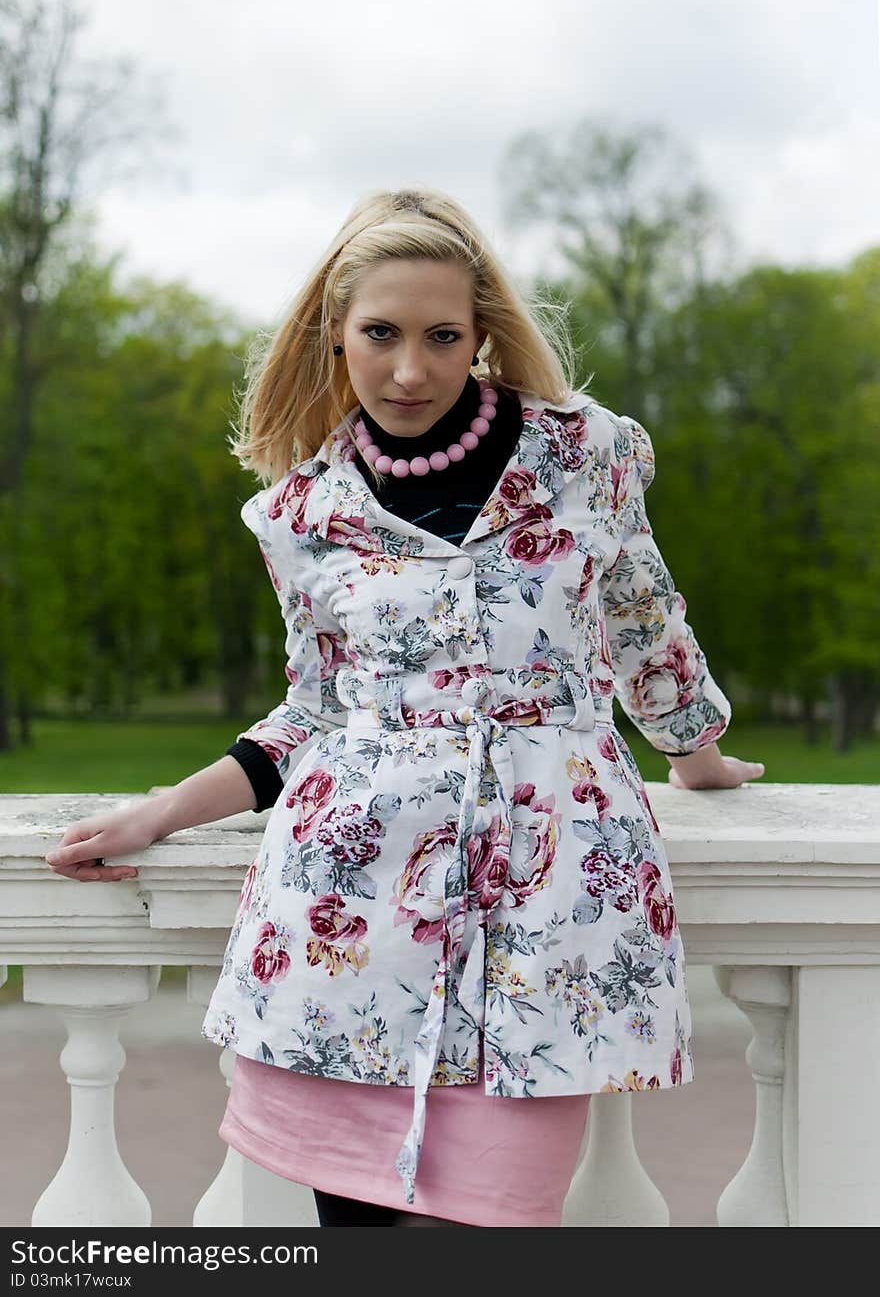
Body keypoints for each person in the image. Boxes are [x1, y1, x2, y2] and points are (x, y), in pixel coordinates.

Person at [45, 186, 765, 1229]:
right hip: (351, 923)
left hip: (541, 910)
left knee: (502, 1212)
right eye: (380, 334)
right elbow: (315, 713)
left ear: (481, 336)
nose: (410, 368)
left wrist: (692, 746)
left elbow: (642, 617)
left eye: (442, 336)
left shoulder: (586, 458)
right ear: (335, 335)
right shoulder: (302, 513)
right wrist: (162, 809)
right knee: (358, 1228)